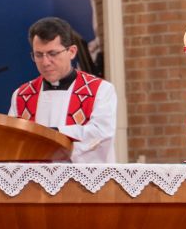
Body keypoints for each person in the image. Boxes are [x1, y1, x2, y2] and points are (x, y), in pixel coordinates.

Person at [7, 16, 118, 163]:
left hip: (83, 176)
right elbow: (11, 139)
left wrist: (56, 134)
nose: (45, 62)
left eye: (52, 54)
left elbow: (101, 133)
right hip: (35, 177)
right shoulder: (22, 95)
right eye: (38, 55)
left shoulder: (100, 90)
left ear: (72, 51)